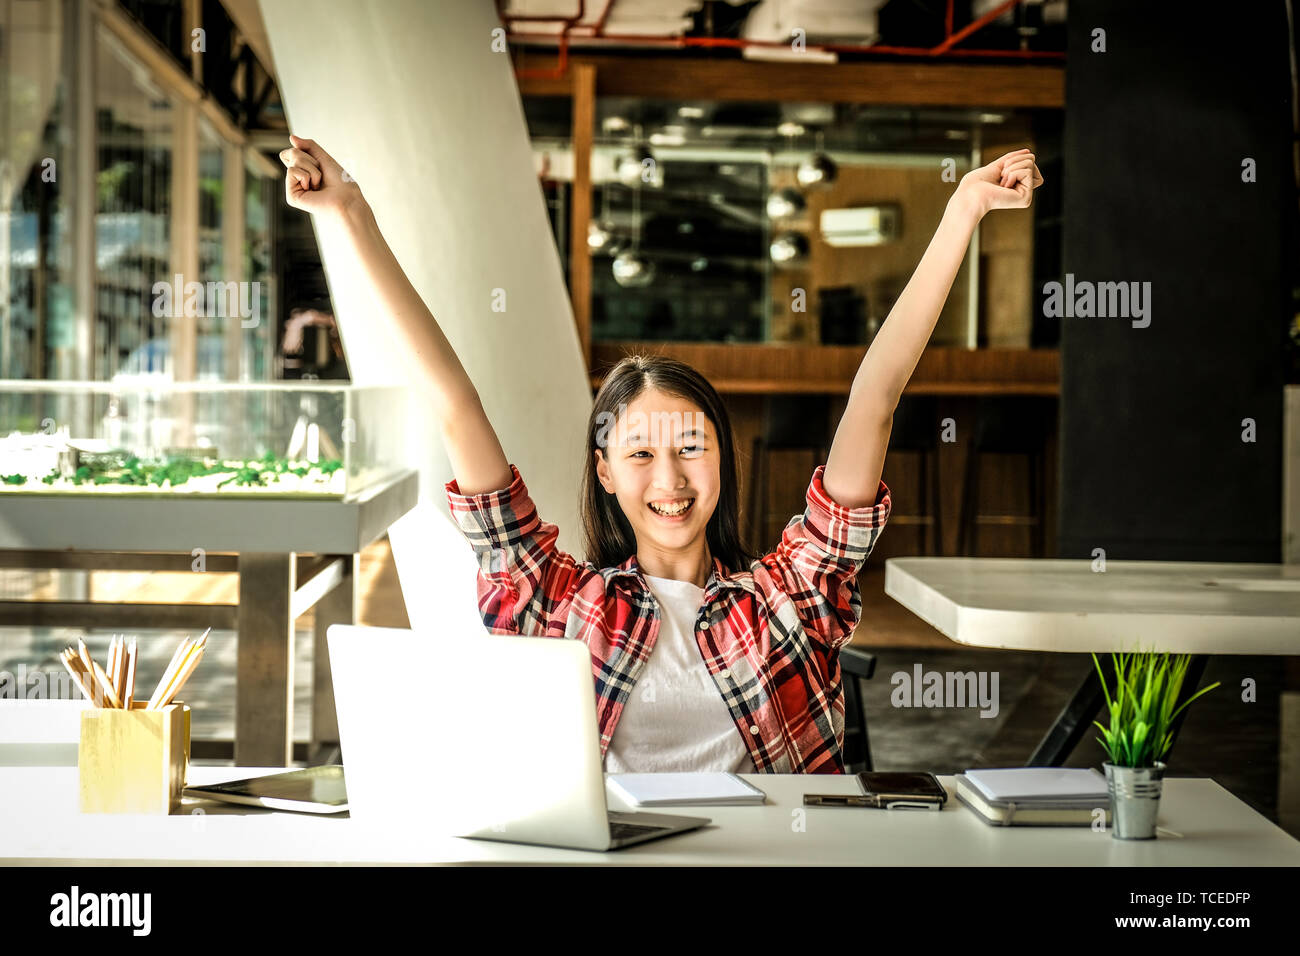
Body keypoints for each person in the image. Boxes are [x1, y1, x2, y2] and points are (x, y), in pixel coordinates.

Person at [280, 134, 1042, 774]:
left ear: (723, 458)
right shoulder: (559, 604)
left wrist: (962, 212)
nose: (670, 478)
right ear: (605, 472)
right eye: (640, 454)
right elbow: (454, 402)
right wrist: (352, 216)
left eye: (690, 447)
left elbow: (876, 395)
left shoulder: (790, 600)